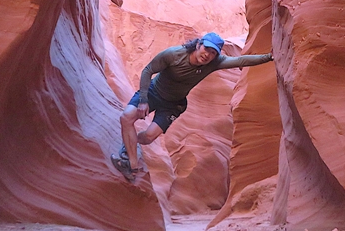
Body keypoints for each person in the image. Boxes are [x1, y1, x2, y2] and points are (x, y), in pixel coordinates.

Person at [112, 32, 273, 182]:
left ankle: (131, 144)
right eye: (207, 49)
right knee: (126, 117)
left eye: (213, 53)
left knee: (148, 137)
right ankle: (131, 165)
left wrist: (269, 57)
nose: (208, 55)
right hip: (154, 92)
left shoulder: (213, 63)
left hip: (174, 105)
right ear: (198, 44)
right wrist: (143, 100)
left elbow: (241, 61)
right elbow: (148, 70)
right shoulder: (174, 54)